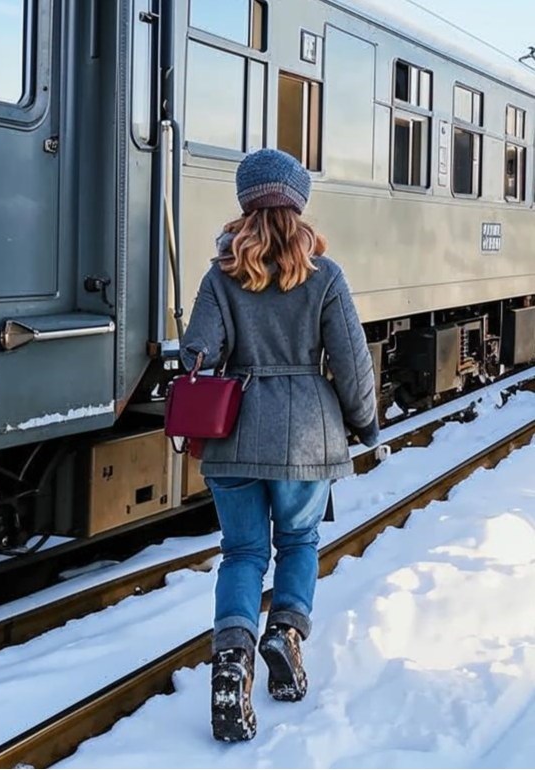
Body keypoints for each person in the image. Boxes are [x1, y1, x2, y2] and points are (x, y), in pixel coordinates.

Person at [180, 148, 380, 742]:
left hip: (235, 434)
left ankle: (232, 658)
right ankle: (285, 636)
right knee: (298, 540)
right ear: (299, 203)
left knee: (243, 553)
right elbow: (351, 362)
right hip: (305, 438)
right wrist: (366, 424)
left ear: (245, 204)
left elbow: (198, 354)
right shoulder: (326, 275)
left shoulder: (221, 273)